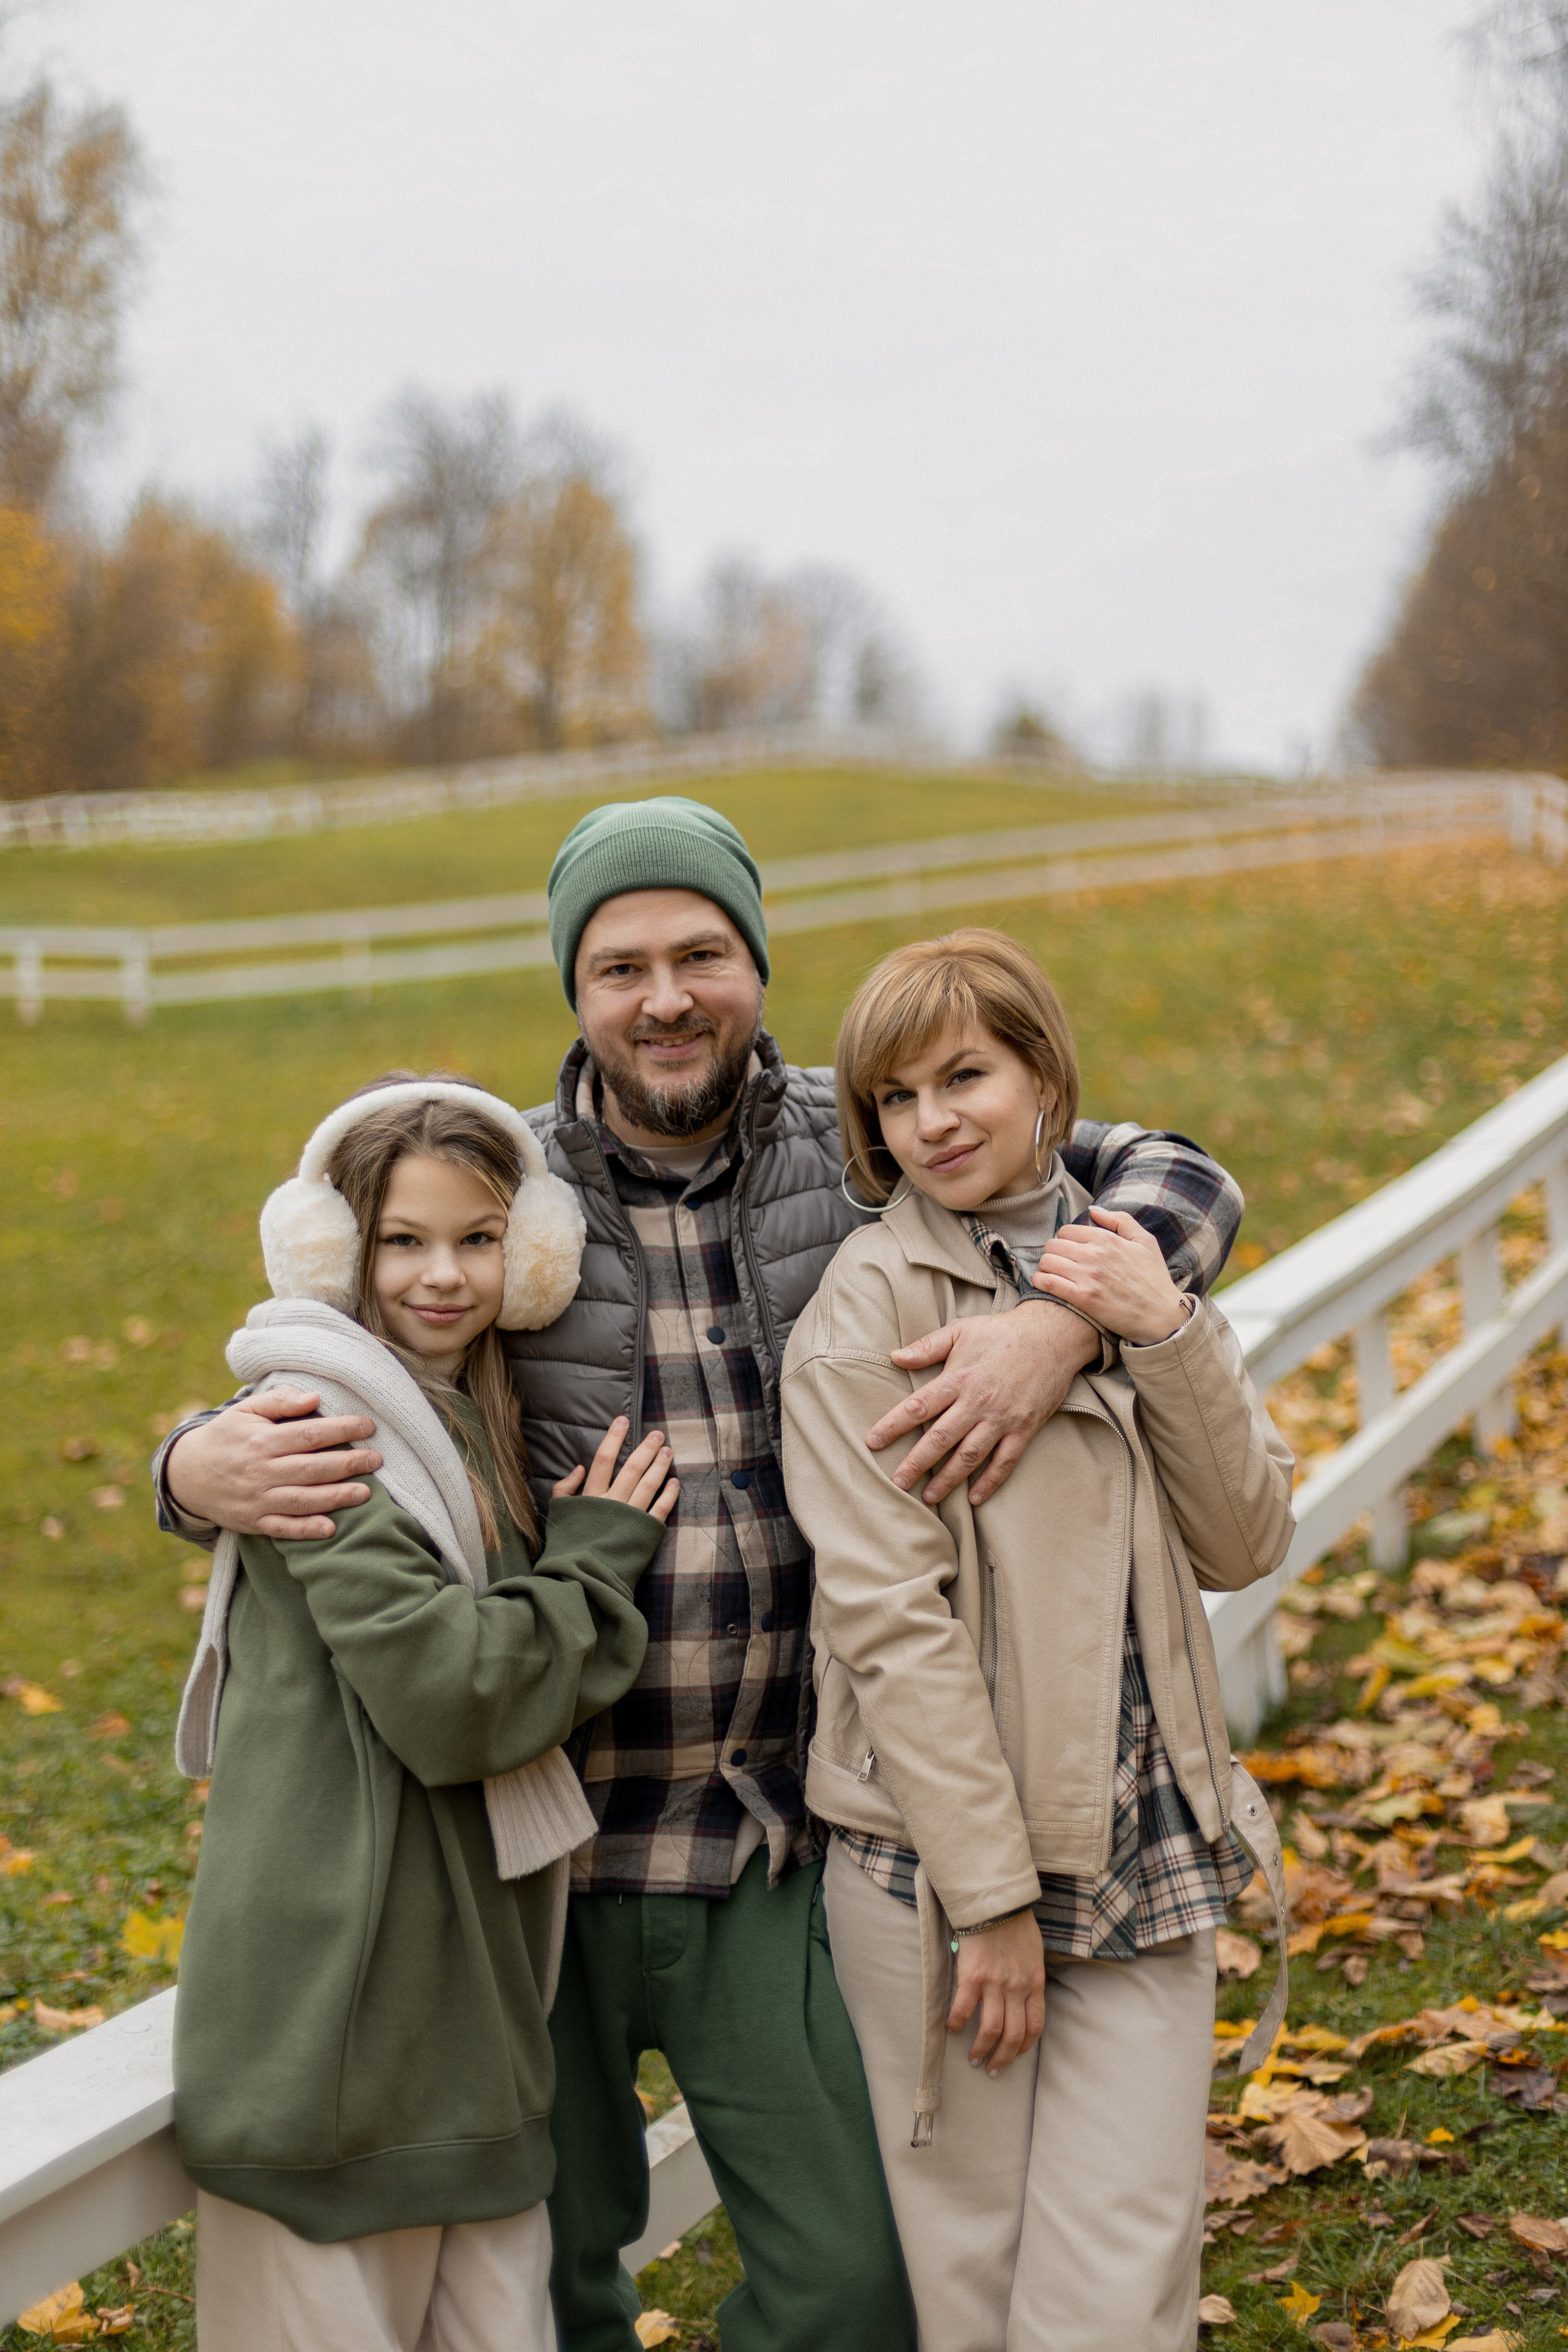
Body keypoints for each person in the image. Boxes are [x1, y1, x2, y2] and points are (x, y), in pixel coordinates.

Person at [155, 796, 1249, 2352]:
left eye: (700, 954)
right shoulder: (506, 1192)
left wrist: (1061, 1321)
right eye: (619, 967)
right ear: (575, 991)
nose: (663, 997)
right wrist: (189, 1461)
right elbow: (329, 1337)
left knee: (850, 2286)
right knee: (547, 2287)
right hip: (544, 1846)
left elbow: (1166, 1171)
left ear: (754, 963)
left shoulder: (862, 1139)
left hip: (769, 1836)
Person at [780, 928, 1295, 2352]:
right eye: (895, 1097)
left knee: (1121, 2279)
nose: (931, 1121)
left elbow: (1244, 1539)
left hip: (1141, 1833)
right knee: (973, 2277)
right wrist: (990, 1900)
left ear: (1044, 1083)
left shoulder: (1130, 1268)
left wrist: (1158, 1331)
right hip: (939, 1873)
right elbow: (889, 1621)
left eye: (963, 1076)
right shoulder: (864, 1313)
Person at [173, 1077, 676, 2352]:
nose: (442, 1275)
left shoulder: (461, 1417)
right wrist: (594, 1561)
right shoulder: (317, 1436)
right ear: (333, 1251)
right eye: (402, 1240)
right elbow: (457, 1703)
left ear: (533, 1253)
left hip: (459, 2017)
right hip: (334, 2021)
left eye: (478, 1238)